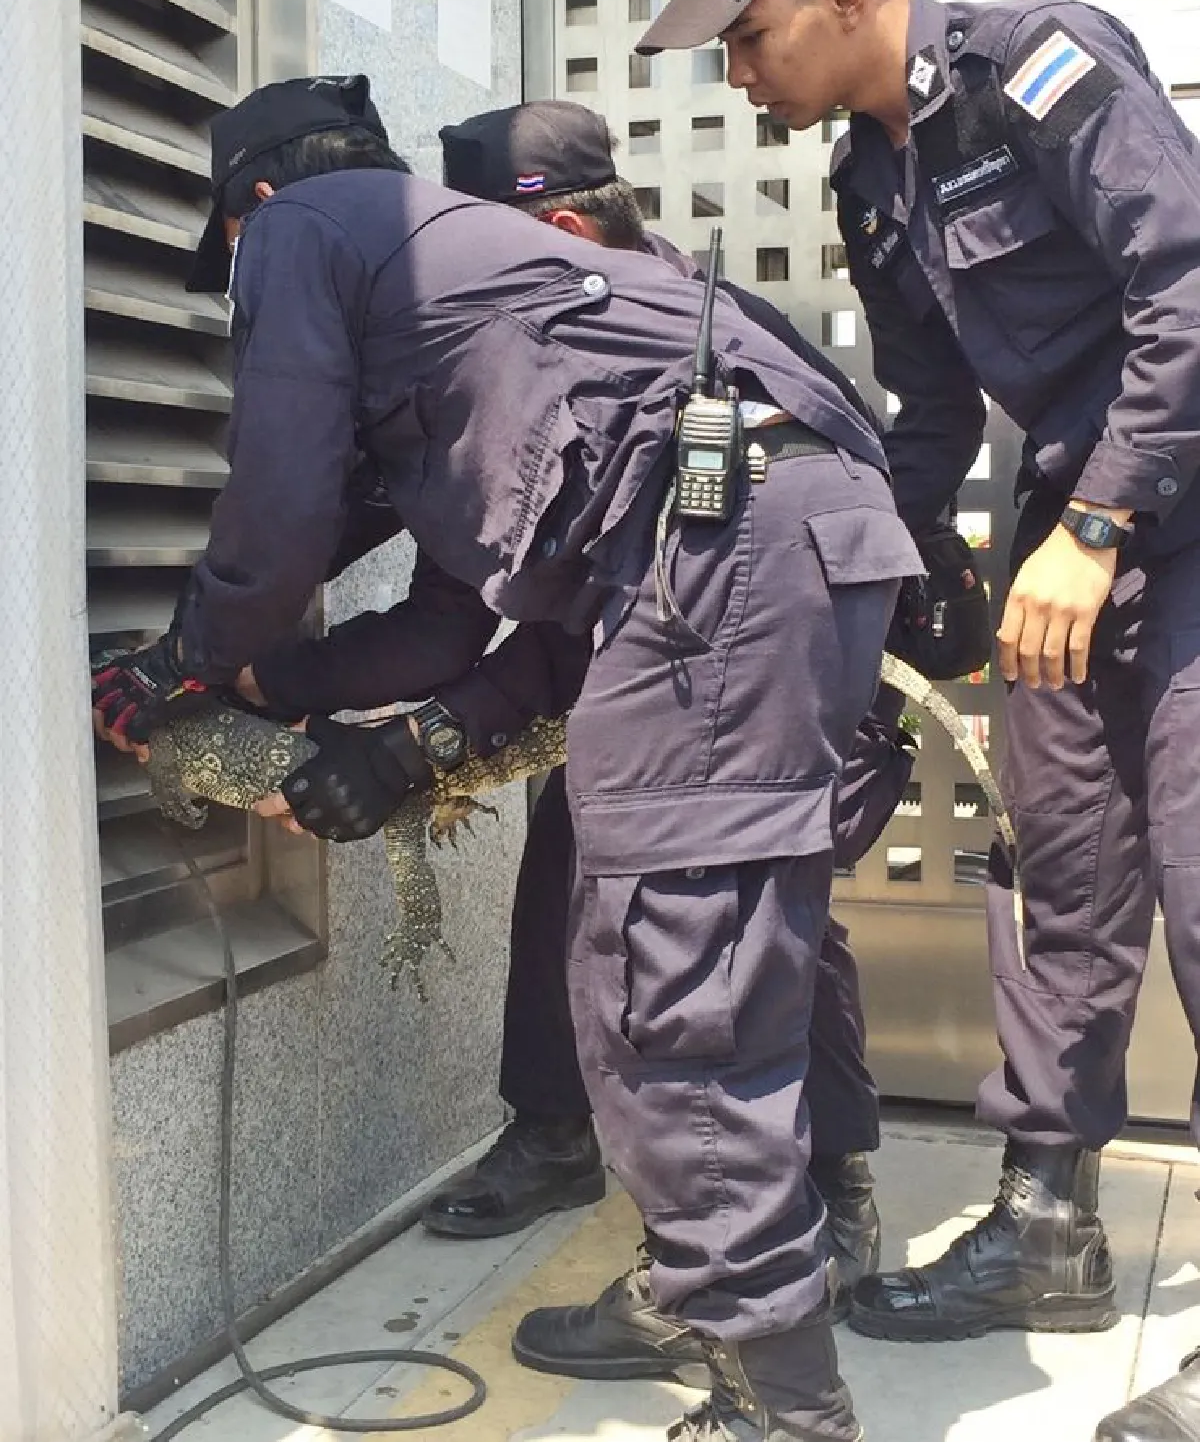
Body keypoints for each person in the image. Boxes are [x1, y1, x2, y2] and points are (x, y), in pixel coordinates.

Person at [93, 71, 922, 1440]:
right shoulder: (462, 300)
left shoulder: (302, 229)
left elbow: (286, 498)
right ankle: (729, 1313)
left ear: (253, 201)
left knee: (675, 994)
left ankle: (780, 1409)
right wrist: (276, 683)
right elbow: (441, 613)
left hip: (719, 552)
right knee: (677, 971)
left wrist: (187, 653)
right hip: (749, 552)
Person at [637, 0, 1200, 1435]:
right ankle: (1046, 1230)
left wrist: (1095, 530)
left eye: (744, 38)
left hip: (1172, 514)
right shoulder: (872, 181)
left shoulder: (1045, 66)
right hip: (1064, 545)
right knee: (1060, 879)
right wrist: (880, 585)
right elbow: (935, 415)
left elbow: (1190, 292)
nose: (737, 74)